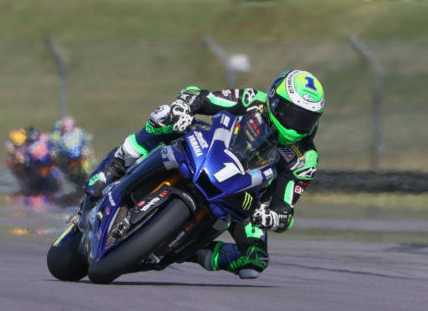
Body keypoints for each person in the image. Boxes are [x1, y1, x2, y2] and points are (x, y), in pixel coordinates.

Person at [84, 69, 324, 279]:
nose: (295, 124)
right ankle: (111, 170)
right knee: (165, 118)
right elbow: (201, 97)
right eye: (290, 113)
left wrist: (272, 217)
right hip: (210, 151)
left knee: (254, 260)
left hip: (243, 197)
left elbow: (286, 209)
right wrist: (184, 106)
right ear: (274, 100)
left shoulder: (305, 157)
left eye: (305, 119)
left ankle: (191, 251)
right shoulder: (254, 101)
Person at [49, 116, 94, 188]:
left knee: (87, 166)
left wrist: (85, 151)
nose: (67, 127)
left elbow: (86, 144)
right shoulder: (61, 137)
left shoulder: (80, 132)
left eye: (69, 125)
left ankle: (90, 179)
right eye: (65, 126)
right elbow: (57, 148)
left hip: (82, 160)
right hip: (69, 163)